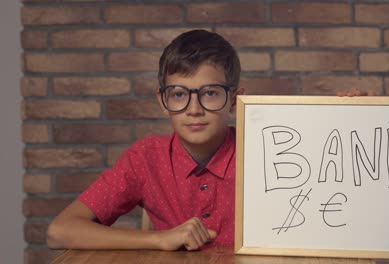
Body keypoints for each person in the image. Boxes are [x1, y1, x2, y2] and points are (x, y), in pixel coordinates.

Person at [47, 29, 243, 251]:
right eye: (179, 94)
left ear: (234, 99)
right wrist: (159, 239)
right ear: (163, 102)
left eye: (210, 93)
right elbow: (60, 231)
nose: (194, 109)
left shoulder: (260, 153)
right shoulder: (146, 158)